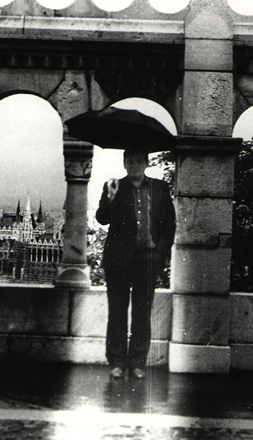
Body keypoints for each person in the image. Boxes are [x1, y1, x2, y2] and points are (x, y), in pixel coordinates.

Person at [96, 148, 175, 380]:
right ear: (124, 164)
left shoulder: (160, 188)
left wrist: (161, 253)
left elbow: (169, 223)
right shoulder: (113, 186)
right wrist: (109, 198)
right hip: (118, 260)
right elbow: (102, 219)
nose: (134, 165)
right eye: (129, 161)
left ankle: (138, 362)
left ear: (146, 163)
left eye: (138, 160)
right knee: (117, 312)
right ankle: (118, 362)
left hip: (148, 258)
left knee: (142, 313)